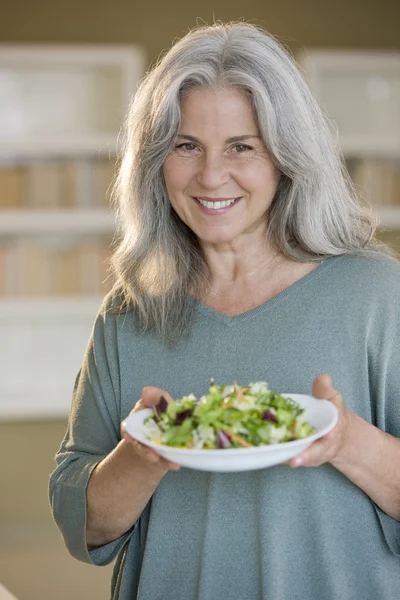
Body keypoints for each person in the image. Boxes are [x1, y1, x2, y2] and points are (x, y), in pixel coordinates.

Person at [49, 22, 400, 600]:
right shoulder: (129, 312)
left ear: (287, 157)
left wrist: (346, 442)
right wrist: (143, 453)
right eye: (187, 146)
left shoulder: (376, 293)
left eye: (242, 146)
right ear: (155, 160)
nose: (211, 176)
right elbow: (83, 526)